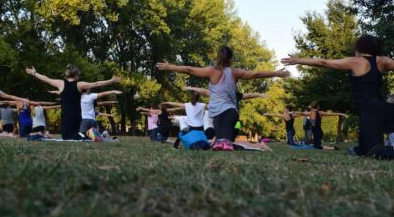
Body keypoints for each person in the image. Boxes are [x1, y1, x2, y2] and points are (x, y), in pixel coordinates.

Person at [156, 47, 289, 151]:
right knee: (221, 142)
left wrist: (170, 67)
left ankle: (260, 147)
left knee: (224, 144)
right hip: (224, 115)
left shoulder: (212, 71)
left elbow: (189, 70)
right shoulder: (234, 72)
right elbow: (256, 74)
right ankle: (253, 145)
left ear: (218, 56)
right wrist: (276, 73)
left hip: (225, 114)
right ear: (230, 58)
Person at [282, 35, 394, 156]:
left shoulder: (355, 61)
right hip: (381, 107)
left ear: (359, 48)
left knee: (374, 151)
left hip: (368, 110)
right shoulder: (383, 61)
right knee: (367, 149)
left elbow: (323, 62)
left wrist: (298, 60)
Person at [26, 65, 121, 140]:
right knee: (73, 136)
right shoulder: (79, 84)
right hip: (76, 117)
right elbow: (96, 83)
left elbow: (46, 79)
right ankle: (92, 134)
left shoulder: (60, 83)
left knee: (67, 137)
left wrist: (34, 73)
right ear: (76, 75)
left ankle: (92, 134)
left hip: (67, 117)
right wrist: (111, 81)